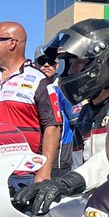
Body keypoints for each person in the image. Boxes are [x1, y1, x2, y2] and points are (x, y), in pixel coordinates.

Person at [14, 20, 109, 215]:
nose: (70, 72)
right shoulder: (86, 114)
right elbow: (82, 167)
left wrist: (64, 184)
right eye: (68, 64)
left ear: (105, 63)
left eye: (78, 63)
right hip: (100, 209)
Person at [0, 21, 61, 183]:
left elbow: (53, 127)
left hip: (22, 176)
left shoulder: (39, 80)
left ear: (12, 43)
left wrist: (44, 172)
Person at [34, 45, 78, 173]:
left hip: (60, 161)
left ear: (57, 65)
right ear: (35, 64)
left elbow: (77, 123)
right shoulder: (30, 88)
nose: (47, 65)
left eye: (51, 61)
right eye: (42, 62)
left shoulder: (63, 88)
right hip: (34, 159)